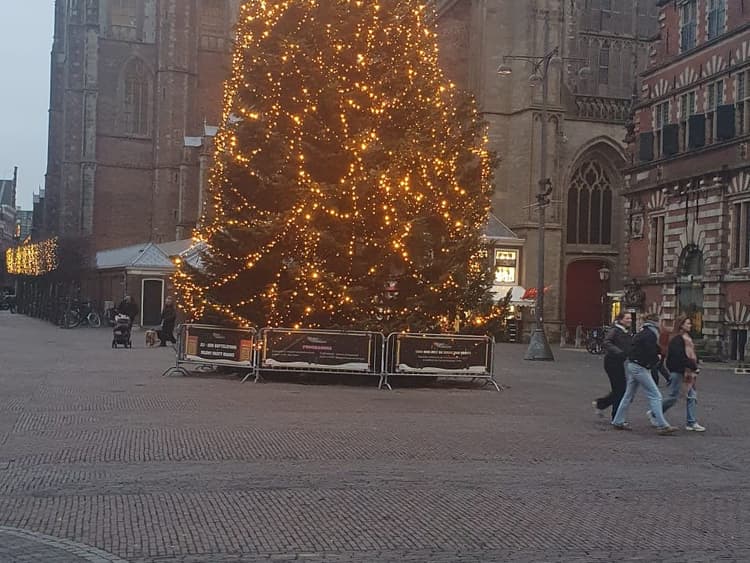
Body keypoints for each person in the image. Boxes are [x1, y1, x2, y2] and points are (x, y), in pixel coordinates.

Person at [612, 313, 677, 435]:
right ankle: (662, 425)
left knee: (628, 395)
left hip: (634, 364)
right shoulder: (651, 334)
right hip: (640, 367)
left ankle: (618, 421)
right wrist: (656, 359)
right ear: (656, 322)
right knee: (655, 395)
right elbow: (650, 350)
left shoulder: (644, 332)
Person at [649, 316, 706, 432]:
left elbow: (690, 354)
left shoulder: (686, 338)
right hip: (680, 371)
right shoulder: (677, 339)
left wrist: (696, 361)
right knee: (673, 397)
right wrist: (693, 366)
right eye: (688, 323)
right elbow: (680, 357)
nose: (690, 325)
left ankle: (691, 422)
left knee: (691, 396)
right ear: (681, 325)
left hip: (687, 372)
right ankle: (655, 412)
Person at [593, 312, 632, 420]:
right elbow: (606, 342)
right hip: (612, 362)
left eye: (630, 318)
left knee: (619, 389)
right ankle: (616, 416)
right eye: (627, 318)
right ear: (620, 320)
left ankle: (601, 404)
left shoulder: (626, 331)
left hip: (619, 362)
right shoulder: (615, 330)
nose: (630, 320)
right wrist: (619, 352)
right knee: (620, 389)